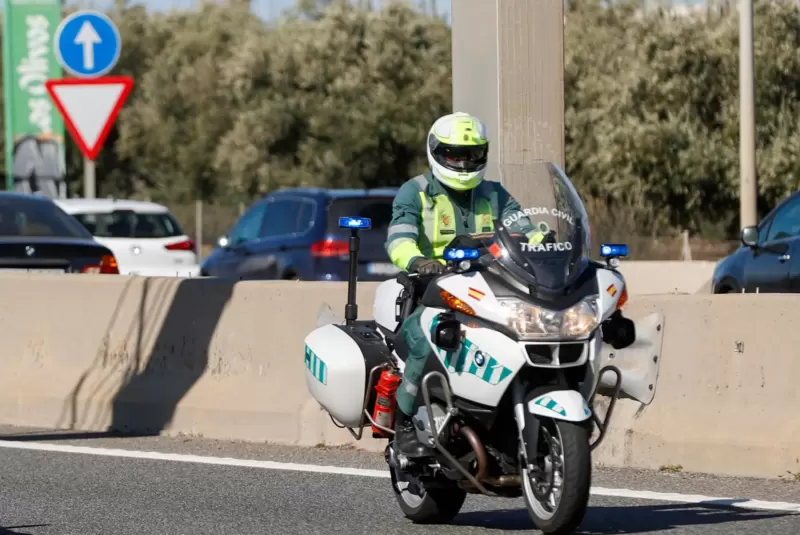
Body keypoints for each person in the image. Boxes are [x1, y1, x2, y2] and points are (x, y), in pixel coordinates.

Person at [384, 112, 545, 458]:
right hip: (431, 292)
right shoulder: (416, 193)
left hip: (490, 290)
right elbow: (398, 240)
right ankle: (405, 425)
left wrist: (544, 243)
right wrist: (418, 262)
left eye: (471, 154)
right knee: (423, 343)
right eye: (454, 154)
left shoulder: (495, 194)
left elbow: (526, 229)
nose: (463, 162)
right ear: (436, 153)